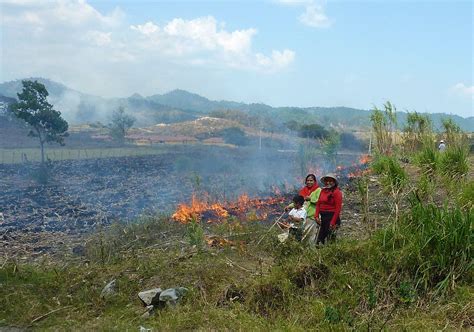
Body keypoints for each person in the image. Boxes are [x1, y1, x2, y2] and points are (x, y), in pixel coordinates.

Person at [315, 173, 343, 245]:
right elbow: (318, 203)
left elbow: (338, 209)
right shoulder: (323, 191)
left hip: (332, 217)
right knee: (319, 241)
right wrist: (316, 216)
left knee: (331, 240)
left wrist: (332, 222)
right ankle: (321, 255)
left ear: (334, 182)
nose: (328, 183)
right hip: (323, 218)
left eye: (330, 181)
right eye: (326, 181)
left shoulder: (337, 192)